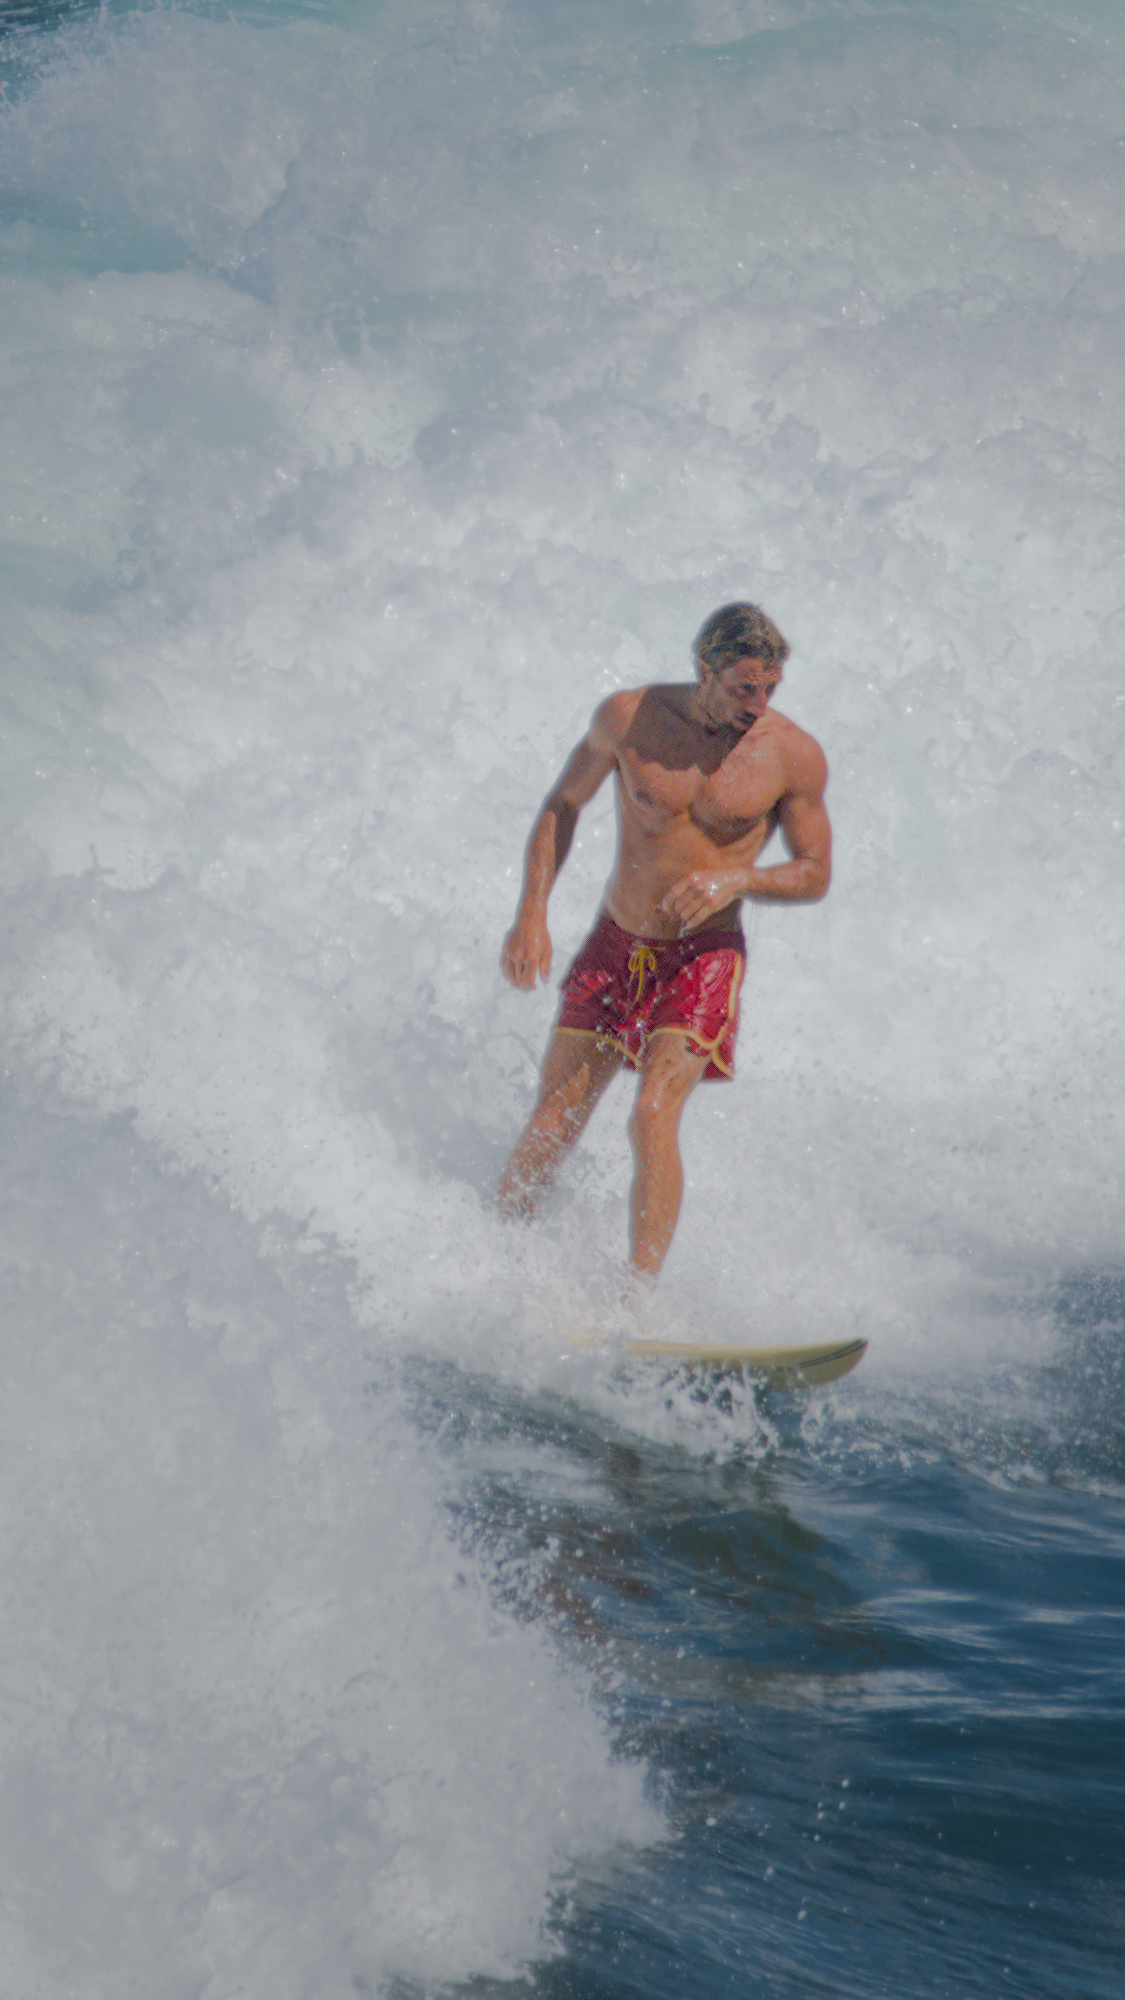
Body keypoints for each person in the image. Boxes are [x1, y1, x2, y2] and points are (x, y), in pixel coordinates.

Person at [498, 602, 831, 1281]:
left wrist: (738, 879)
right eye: (743, 688)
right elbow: (564, 803)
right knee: (552, 1122)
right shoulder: (629, 718)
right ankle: (494, 1251)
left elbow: (813, 872)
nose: (758, 705)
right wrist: (532, 913)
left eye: (770, 688)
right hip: (615, 944)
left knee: (651, 1115)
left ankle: (640, 1299)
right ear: (704, 669)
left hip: (702, 958)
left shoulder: (790, 755)